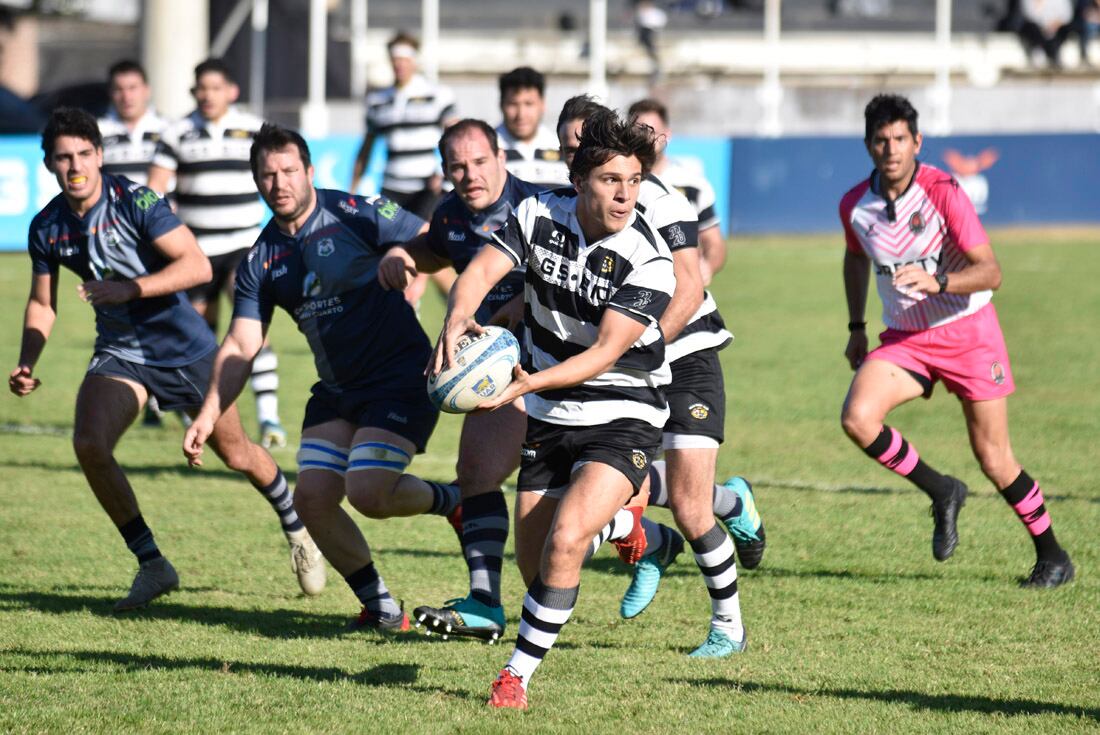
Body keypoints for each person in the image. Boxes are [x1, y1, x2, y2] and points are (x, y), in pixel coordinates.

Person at [11, 108, 325, 612]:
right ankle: (152, 562)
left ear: (100, 155)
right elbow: (42, 304)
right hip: (121, 353)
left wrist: (128, 289)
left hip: (185, 350)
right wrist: (28, 359)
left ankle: (297, 529)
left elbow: (196, 265)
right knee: (90, 443)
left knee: (238, 453)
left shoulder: (135, 201)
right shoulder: (47, 227)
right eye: (64, 156)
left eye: (84, 154)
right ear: (48, 162)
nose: (76, 165)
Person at [431, 108, 675, 710]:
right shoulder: (537, 215)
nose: (624, 195)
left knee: (566, 540)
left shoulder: (649, 259)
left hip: (624, 410)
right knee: (536, 563)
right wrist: (459, 315)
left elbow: (603, 353)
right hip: (550, 413)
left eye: (634, 180)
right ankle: (629, 528)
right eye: (610, 180)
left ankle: (514, 677)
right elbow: (482, 270)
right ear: (580, 180)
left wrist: (523, 385)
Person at [183, 123, 463, 631]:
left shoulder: (355, 214)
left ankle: (453, 501)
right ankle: (382, 608)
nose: (280, 182)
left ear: (309, 171)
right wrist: (208, 413)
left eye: (290, 170)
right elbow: (243, 343)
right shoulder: (262, 260)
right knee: (311, 498)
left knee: (368, 494)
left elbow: (431, 244)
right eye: (267, 175)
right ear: (256, 182)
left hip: (400, 375)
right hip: (337, 391)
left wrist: (403, 257)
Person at [839, 94, 1074, 588]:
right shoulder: (855, 206)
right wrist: (857, 327)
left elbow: (991, 272)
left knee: (994, 458)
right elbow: (856, 258)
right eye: (881, 141)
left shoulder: (944, 192)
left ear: (917, 141)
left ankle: (1052, 556)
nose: (891, 149)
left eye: (900, 139)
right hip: (906, 338)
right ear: (868, 146)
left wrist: (939, 283)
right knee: (858, 418)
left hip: (968, 333)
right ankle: (942, 490)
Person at [559, 96, 761, 651]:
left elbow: (689, 286)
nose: (578, 159)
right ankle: (656, 545)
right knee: (609, 484)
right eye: (570, 149)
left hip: (685, 356)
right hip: (625, 363)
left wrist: (643, 347)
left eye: (586, 145)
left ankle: (729, 628)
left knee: (693, 505)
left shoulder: (658, 200)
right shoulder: (563, 210)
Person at [377, 119, 541, 642]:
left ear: (502, 158)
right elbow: (434, 249)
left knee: (588, 493)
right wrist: (402, 256)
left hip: (565, 365)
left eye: (479, 161)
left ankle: (694, 516)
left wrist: (525, 303)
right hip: (500, 371)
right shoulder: (449, 216)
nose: (470, 174)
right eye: (457, 167)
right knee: (474, 471)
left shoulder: (540, 207)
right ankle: (485, 604)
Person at [148, 58, 286, 448]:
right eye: (201, 89)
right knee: (197, 336)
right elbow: (156, 187)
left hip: (243, 246)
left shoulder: (253, 129)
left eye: (215, 87)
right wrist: (162, 226)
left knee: (251, 330)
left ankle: (269, 418)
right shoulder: (177, 133)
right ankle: (197, 411)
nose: (207, 95)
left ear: (231, 91)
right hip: (196, 254)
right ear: (194, 93)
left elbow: (278, 171)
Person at [98, 59, 171, 426]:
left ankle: (166, 397)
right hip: (116, 245)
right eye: (119, 89)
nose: (127, 96)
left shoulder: (167, 130)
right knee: (127, 323)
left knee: (164, 316)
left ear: (146, 90)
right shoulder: (97, 133)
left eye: (133, 87)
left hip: (162, 241)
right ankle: (146, 396)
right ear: (111, 94)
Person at [627, 98, 726, 285]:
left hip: (679, 287)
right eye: (639, 132)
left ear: (667, 134)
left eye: (652, 131)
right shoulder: (616, 182)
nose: (645, 138)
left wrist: (708, 266)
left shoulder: (693, 185)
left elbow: (714, 242)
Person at [495, 67, 570, 190]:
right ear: (501, 105)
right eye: (513, 104)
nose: (521, 114)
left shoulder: (563, 148)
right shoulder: (486, 151)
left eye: (528, 104)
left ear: (542, 105)